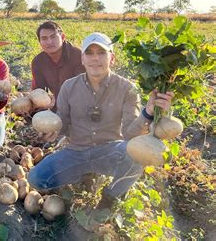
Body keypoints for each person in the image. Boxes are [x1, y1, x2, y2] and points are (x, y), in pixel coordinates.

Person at [28, 32, 174, 211]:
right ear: (82, 59)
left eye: (101, 53)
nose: (95, 58)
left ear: (112, 58)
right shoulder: (69, 87)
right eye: (89, 53)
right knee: (36, 179)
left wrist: (149, 112)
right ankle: (82, 176)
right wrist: (53, 130)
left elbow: (129, 134)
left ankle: (110, 198)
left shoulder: (127, 89)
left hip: (110, 151)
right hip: (76, 151)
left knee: (137, 155)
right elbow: (64, 125)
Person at [31, 21, 85, 110]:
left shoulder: (79, 56)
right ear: (40, 42)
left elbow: (84, 88)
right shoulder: (38, 62)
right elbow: (39, 91)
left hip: (81, 107)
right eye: (44, 38)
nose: (49, 42)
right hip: (55, 107)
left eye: (53, 37)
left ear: (63, 37)